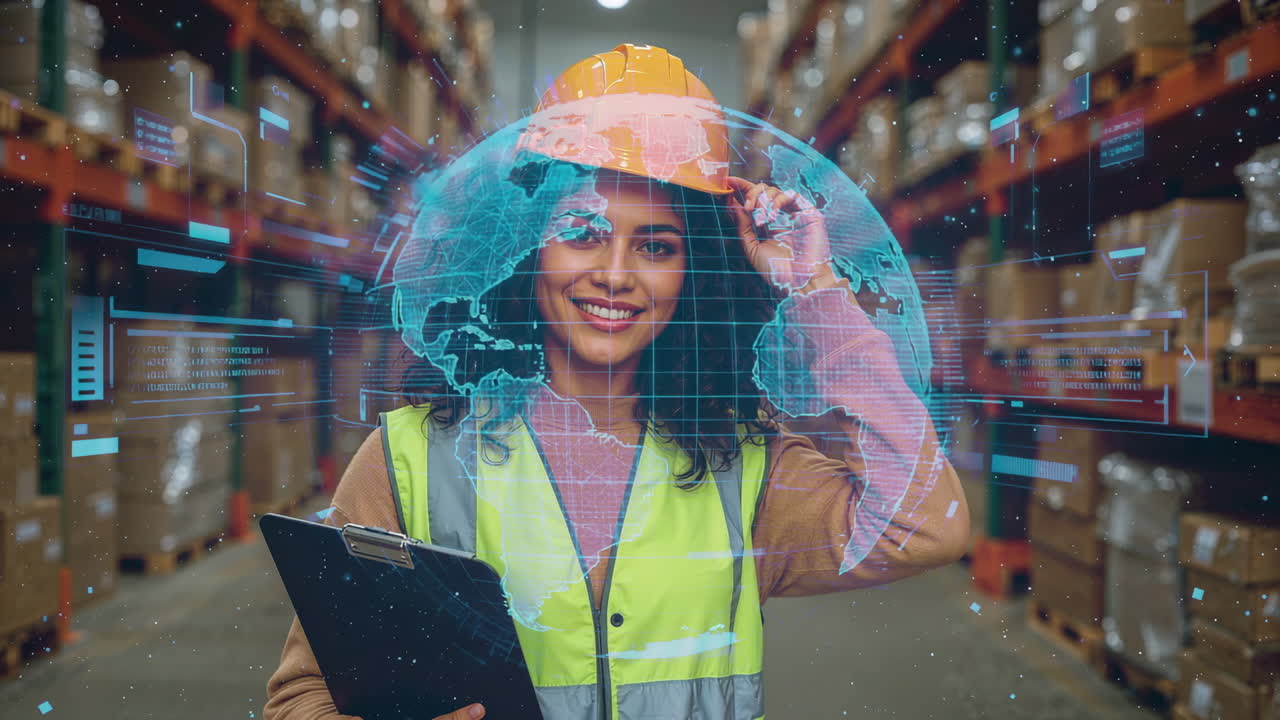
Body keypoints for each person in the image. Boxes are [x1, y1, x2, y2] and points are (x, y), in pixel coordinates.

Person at [264, 44, 967, 720]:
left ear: (692, 272)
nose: (616, 274)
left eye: (656, 246)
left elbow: (923, 527)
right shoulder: (412, 463)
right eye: (582, 232)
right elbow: (302, 700)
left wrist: (813, 289)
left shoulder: (742, 466)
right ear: (526, 246)